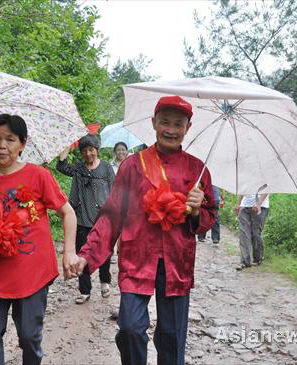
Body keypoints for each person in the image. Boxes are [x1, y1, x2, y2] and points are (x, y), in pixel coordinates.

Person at [75, 96, 216, 365]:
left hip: (177, 262)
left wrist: (197, 210)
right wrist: (87, 256)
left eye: (178, 124)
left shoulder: (197, 170)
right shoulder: (133, 166)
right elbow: (111, 216)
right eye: (165, 122)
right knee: (129, 328)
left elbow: (209, 218)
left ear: (188, 127)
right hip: (137, 258)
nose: (171, 130)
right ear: (153, 123)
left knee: (172, 337)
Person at [0, 114, 80, 365]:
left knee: (29, 337)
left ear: (22, 144)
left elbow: (67, 212)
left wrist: (69, 252)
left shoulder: (38, 175)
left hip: (31, 273)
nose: (2, 145)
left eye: (10, 139)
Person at [56, 134, 116, 304]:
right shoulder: (78, 169)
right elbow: (61, 166)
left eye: (91, 150)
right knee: (82, 254)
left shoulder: (105, 168)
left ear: (96, 150)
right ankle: (85, 290)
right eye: (84, 151)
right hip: (82, 218)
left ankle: (105, 280)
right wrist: (69, 145)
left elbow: (115, 189)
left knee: (105, 253)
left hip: (103, 219)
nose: (88, 154)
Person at [233, 193, 270, 270]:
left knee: (256, 234)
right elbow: (244, 188)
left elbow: (267, 190)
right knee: (244, 234)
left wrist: (258, 203)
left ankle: (258, 258)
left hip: (261, 207)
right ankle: (245, 261)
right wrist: (238, 204)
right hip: (245, 206)